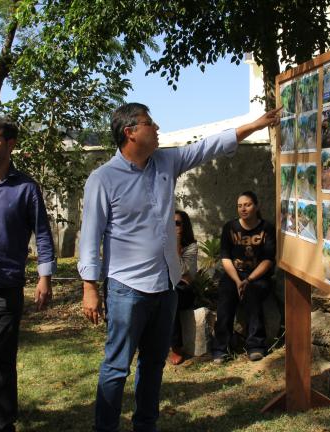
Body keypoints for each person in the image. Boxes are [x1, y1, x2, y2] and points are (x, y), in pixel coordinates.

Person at [78, 102, 281, 432]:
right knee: (116, 367)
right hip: (126, 288)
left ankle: (146, 425)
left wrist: (256, 125)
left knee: (154, 363)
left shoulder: (164, 163)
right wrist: (89, 286)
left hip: (165, 286)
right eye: (149, 123)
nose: (157, 127)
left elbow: (206, 147)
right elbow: (90, 234)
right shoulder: (103, 179)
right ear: (130, 132)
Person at [0, 116, 57, 431]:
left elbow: (43, 235)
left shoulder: (26, 188)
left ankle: (2, 420)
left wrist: (44, 276)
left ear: (10, 144)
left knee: (2, 358)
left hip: (4, 285)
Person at [212, 191, 276, 364]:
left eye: (247, 204)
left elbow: (268, 260)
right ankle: (220, 348)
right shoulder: (230, 228)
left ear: (256, 206)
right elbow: (225, 258)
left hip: (258, 276)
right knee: (225, 298)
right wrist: (238, 281)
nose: (243, 209)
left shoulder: (267, 228)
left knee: (252, 294)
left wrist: (249, 280)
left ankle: (256, 346)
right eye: (240, 206)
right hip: (234, 275)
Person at [168, 210, 198, 366]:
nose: (173, 226)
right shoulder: (162, 242)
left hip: (184, 291)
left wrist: (177, 243)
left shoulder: (191, 247)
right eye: (170, 222)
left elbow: (181, 271)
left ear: (184, 226)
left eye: (177, 223)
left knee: (171, 297)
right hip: (168, 284)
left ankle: (176, 346)